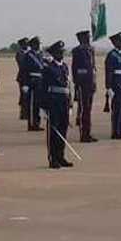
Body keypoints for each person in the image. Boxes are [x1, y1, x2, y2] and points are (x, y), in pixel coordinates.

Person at [41, 40, 74, 168]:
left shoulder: (65, 67)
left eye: (62, 52)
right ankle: (52, 158)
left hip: (64, 102)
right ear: (53, 54)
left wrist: (70, 104)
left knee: (63, 130)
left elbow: (68, 86)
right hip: (53, 102)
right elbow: (43, 88)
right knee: (53, 132)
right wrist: (43, 107)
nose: (61, 54)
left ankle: (61, 156)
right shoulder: (48, 68)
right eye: (58, 53)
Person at [71, 30, 98, 143]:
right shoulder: (77, 51)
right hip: (82, 83)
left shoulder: (91, 49)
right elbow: (74, 69)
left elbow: (93, 67)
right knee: (84, 109)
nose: (88, 39)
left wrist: (94, 81)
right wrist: (77, 83)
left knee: (88, 109)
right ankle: (84, 134)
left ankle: (87, 132)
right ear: (81, 39)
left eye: (89, 37)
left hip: (90, 82)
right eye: (86, 37)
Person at [104, 32, 121, 139]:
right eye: (119, 40)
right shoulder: (111, 55)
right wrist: (109, 87)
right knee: (117, 109)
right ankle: (115, 132)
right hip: (116, 84)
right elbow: (109, 71)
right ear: (114, 42)